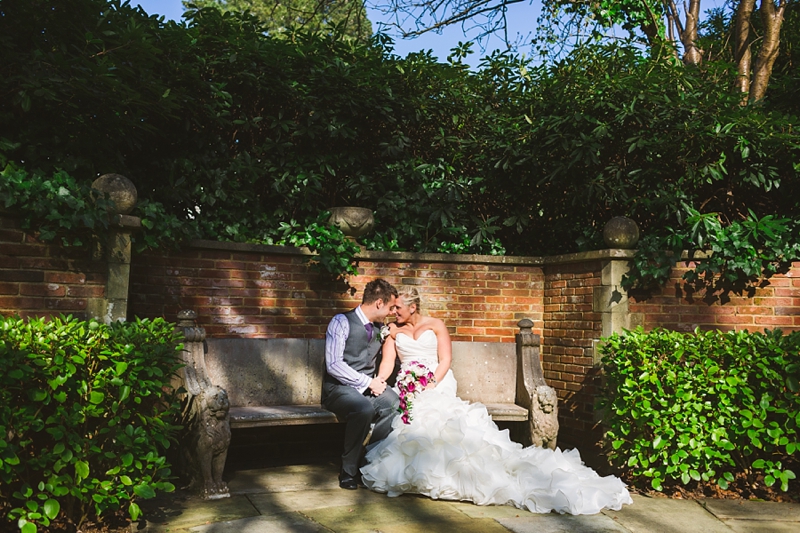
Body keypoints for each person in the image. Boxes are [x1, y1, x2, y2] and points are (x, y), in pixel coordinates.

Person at [360, 286, 633, 514]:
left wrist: (431, 382)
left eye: (398, 308)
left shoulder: (436, 325)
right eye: (392, 308)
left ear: (413, 306)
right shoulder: (392, 332)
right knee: (411, 421)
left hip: (437, 380)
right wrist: (383, 381)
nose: (393, 312)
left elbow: (445, 360)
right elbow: (388, 362)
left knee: (443, 421)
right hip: (408, 386)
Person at [322, 278, 400, 490]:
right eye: (391, 307)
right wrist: (368, 382)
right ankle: (348, 470)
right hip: (338, 389)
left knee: (393, 403)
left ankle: (369, 460)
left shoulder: (379, 328)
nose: (392, 312)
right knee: (363, 408)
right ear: (379, 303)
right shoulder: (341, 322)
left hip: (366, 388)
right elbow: (334, 365)